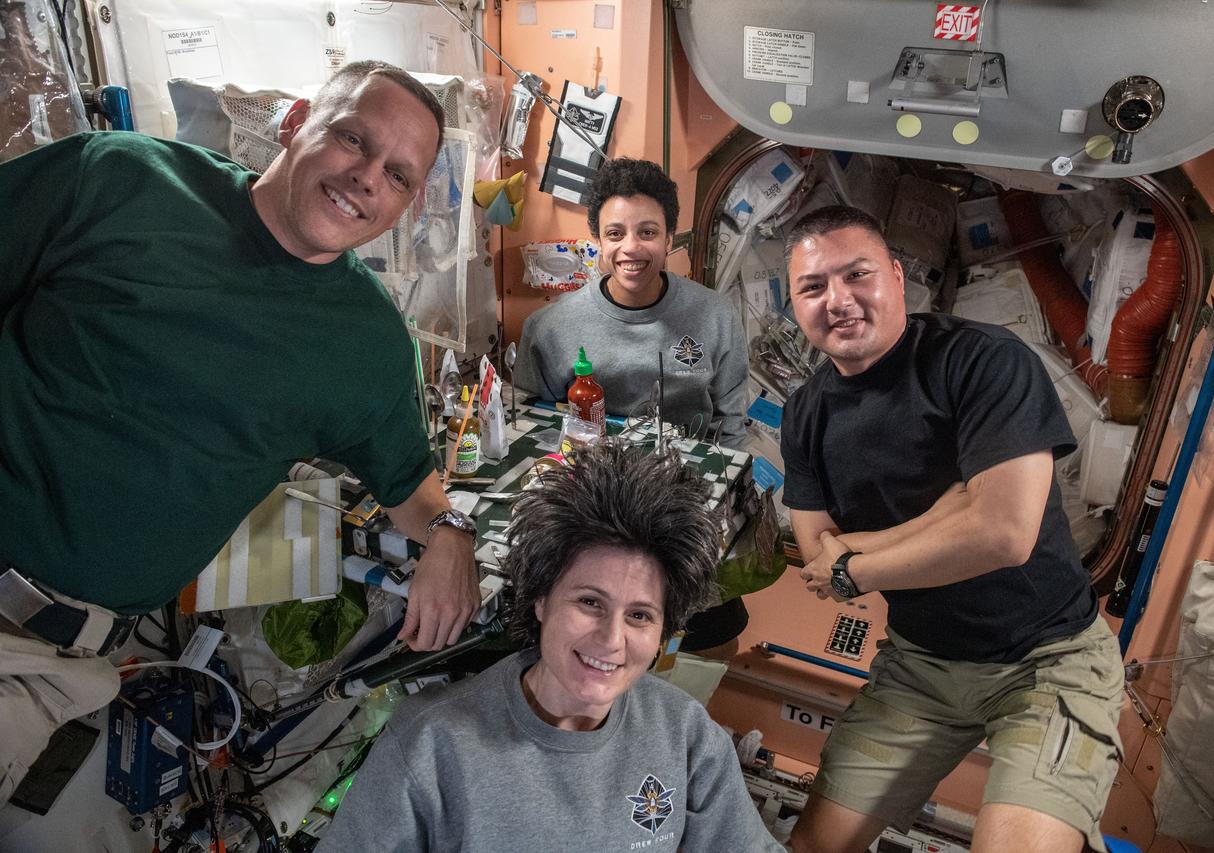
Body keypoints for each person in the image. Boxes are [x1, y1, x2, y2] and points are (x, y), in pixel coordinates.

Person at [0, 61, 479, 805]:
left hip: (38, 660)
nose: (367, 178)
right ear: (294, 124)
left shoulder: (366, 345)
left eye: (398, 175)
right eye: (353, 138)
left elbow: (407, 480)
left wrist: (451, 532)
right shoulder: (121, 178)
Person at [779, 206, 1125, 853]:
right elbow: (816, 554)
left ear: (895, 274)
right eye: (813, 286)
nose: (839, 300)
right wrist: (949, 510)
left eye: (857, 274)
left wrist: (861, 561)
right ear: (795, 303)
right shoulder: (804, 412)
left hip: (1048, 661)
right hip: (920, 666)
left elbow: (1003, 533)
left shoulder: (982, 362)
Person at [316, 442, 783, 852]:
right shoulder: (430, 744)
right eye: (589, 602)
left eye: (640, 615)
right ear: (540, 599)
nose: (611, 639)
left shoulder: (684, 735)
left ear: (664, 632)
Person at [515, 157, 749, 447]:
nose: (631, 248)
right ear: (599, 242)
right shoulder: (548, 329)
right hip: (587, 478)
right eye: (615, 234)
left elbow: (730, 431)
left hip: (689, 478)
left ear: (669, 240)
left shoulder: (717, 316)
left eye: (647, 232)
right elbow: (535, 427)